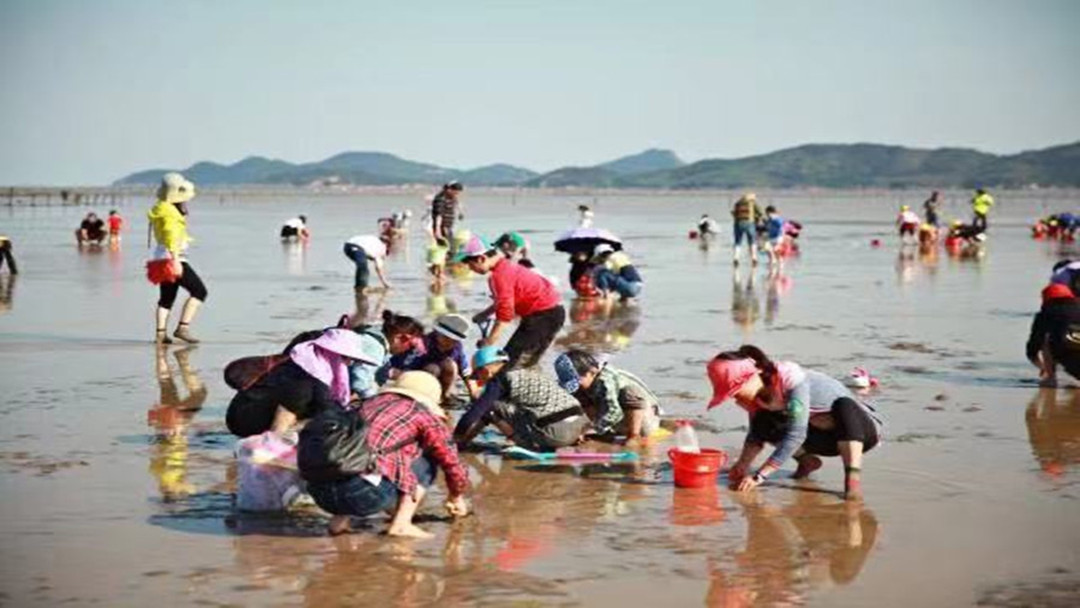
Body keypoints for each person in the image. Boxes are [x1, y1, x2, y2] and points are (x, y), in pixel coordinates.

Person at [706, 345, 883, 501]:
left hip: (859, 433)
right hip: (822, 438)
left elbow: (796, 435)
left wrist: (759, 476)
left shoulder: (792, 381)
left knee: (844, 405)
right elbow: (756, 433)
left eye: (735, 390)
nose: (734, 397)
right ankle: (807, 461)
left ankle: (852, 482)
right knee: (763, 420)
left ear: (754, 375)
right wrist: (742, 465)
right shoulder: (755, 399)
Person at [306, 371, 471, 538]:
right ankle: (401, 524)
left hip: (320, 492)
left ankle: (339, 522)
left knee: (356, 455)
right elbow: (451, 461)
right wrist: (456, 495)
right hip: (363, 494)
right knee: (428, 461)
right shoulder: (422, 414)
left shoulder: (367, 404)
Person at [226, 329, 379, 438]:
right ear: (333, 354)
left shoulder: (307, 362)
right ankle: (272, 444)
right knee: (321, 413)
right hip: (247, 420)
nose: (349, 363)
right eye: (346, 358)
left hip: (242, 412)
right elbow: (328, 412)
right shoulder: (310, 376)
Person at [458, 235, 565, 369]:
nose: (470, 269)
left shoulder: (499, 276)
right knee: (525, 361)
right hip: (549, 312)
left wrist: (490, 342)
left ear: (481, 259)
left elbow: (504, 316)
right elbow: (505, 300)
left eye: (470, 264)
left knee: (511, 365)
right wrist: (485, 314)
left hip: (544, 316)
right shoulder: (505, 267)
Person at [454, 346, 589, 450]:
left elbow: (475, 413)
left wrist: (456, 437)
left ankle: (521, 442)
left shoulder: (499, 380)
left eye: (477, 376)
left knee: (490, 405)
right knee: (509, 408)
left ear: (485, 371)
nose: (479, 380)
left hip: (558, 434)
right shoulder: (526, 372)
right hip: (581, 425)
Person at [554, 350, 662, 444]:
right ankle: (607, 431)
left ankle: (634, 435)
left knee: (629, 392)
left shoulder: (606, 381)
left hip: (644, 414)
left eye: (578, 381)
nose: (576, 387)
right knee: (582, 395)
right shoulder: (584, 385)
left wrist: (591, 429)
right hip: (613, 417)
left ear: (592, 372)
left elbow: (614, 411)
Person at [148, 173, 207, 344]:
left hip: (159, 259)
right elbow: (171, 235)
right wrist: (175, 260)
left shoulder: (161, 209)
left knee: (166, 298)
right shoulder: (171, 214)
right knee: (199, 291)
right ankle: (183, 328)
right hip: (173, 258)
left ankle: (160, 334)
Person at [389, 313, 479, 403]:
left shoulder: (457, 348)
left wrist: (474, 394)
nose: (449, 342)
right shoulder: (422, 344)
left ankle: (444, 397)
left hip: (440, 383)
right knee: (433, 368)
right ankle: (426, 398)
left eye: (453, 340)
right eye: (445, 338)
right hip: (415, 379)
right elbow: (401, 368)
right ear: (436, 332)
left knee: (451, 365)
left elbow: (466, 373)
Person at [346, 310, 426, 401]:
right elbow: (360, 382)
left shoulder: (373, 335)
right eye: (411, 346)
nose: (408, 350)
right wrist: (376, 401)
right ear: (400, 338)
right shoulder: (375, 347)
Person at [1027, 283, 1080, 386]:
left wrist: (1042, 367)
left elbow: (1033, 348)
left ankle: (1050, 379)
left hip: (1068, 360)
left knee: (1046, 340)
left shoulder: (1046, 314)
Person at [731, 192, 759, 266]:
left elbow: (734, 213)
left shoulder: (737, 203)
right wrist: (757, 219)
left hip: (738, 223)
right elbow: (759, 212)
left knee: (738, 241)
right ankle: (754, 258)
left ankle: (736, 258)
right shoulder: (752, 204)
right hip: (749, 223)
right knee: (752, 241)